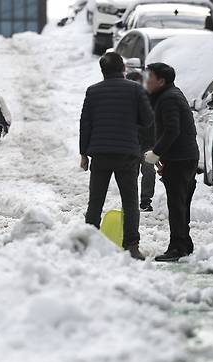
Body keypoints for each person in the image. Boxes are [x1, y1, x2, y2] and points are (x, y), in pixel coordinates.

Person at [80, 53, 154, 260]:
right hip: (127, 154)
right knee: (130, 201)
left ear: (103, 71)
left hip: (100, 154)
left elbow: (85, 124)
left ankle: (89, 242)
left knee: (95, 201)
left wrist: (83, 153)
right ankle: (132, 246)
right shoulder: (136, 89)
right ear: (123, 68)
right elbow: (148, 119)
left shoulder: (93, 91)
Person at [143, 63, 199, 262]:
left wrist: (157, 153)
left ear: (161, 81)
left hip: (181, 158)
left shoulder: (168, 99)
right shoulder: (172, 94)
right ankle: (184, 242)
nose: (147, 80)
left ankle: (177, 247)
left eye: (151, 76)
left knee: (177, 204)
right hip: (184, 156)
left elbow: (172, 130)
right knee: (181, 202)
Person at [126, 71, 156, 212]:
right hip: (130, 144)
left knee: (149, 171)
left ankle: (145, 200)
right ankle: (131, 200)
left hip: (147, 144)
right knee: (131, 174)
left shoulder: (149, 100)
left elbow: (155, 123)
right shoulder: (123, 101)